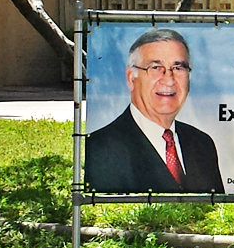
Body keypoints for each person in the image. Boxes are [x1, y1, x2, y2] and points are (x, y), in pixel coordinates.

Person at [86, 28, 224, 194]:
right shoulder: (99, 148)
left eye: (178, 68)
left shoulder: (202, 144)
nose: (168, 79)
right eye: (156, 67)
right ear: (131, 78)